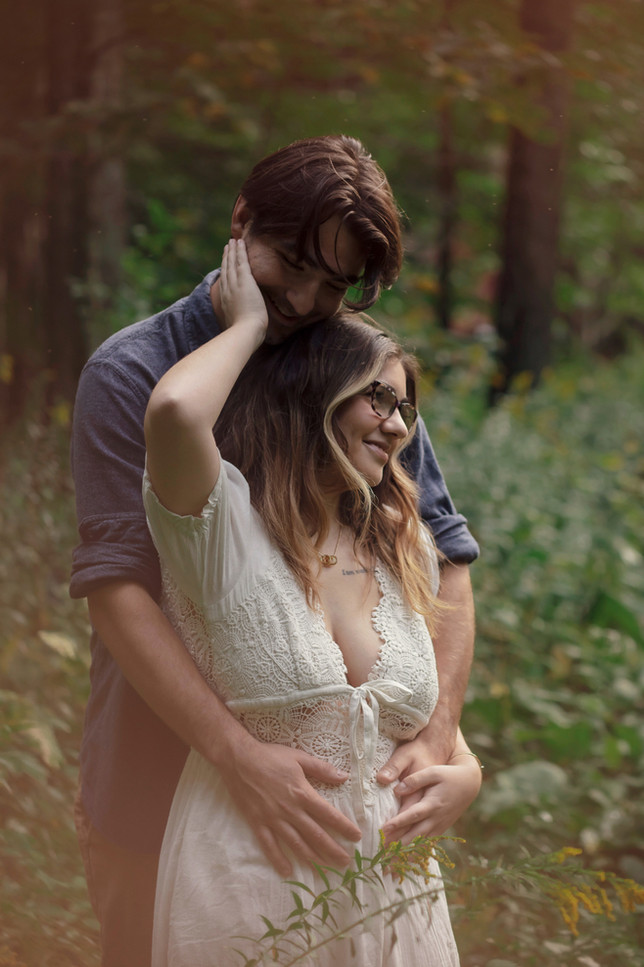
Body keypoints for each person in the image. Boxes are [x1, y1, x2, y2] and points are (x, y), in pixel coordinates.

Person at [70, 135, 479, 966]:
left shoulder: (361, 373)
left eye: (333, 285)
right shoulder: (135, 371)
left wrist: (439, 741)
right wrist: (236, 755)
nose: (301, 297)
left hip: (351, 820)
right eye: (290, 263)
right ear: (241, 219)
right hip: (159, 772)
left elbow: (439, 558)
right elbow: (120, 591)